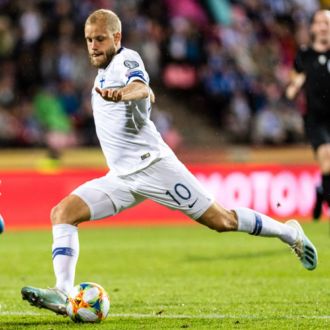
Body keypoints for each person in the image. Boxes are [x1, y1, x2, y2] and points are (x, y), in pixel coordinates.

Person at [21, 9, 318, 316]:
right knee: (63, 212)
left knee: (222, 221)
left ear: (117, 37)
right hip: (122, 176)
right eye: (88, 40)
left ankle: (289, 233)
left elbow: (143, 89)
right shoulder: (101, 73)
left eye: (100, 39)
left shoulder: (126, 60)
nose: (93, 46)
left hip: (154, 167)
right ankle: (63, 291)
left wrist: (124, 94)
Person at [286, 9, 330, 220]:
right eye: (320, 23)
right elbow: (293, 81)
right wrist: (294, 87)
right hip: (316, 119)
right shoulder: (304, 55)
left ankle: (322, 192)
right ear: (313, 28)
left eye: (327, 23)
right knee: (327, 158)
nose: (324, 27)